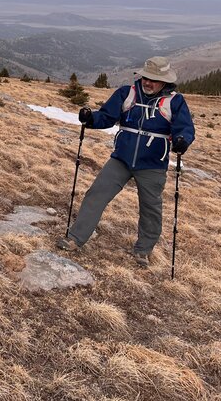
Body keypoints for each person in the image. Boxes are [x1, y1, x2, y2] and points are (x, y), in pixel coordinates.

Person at [57, 57, 195, 268]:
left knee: (151, 208)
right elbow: (106, 117)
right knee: (96, 194)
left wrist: (182, 140)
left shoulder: (175, 101)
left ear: (165, 82)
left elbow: (185, 128)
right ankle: (76, 238)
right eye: (146, 78)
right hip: (121, 158)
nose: (148, 83)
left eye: (154, 80)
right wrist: (90, 119)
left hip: (152, 164)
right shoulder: (127, 93)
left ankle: (143, 250)